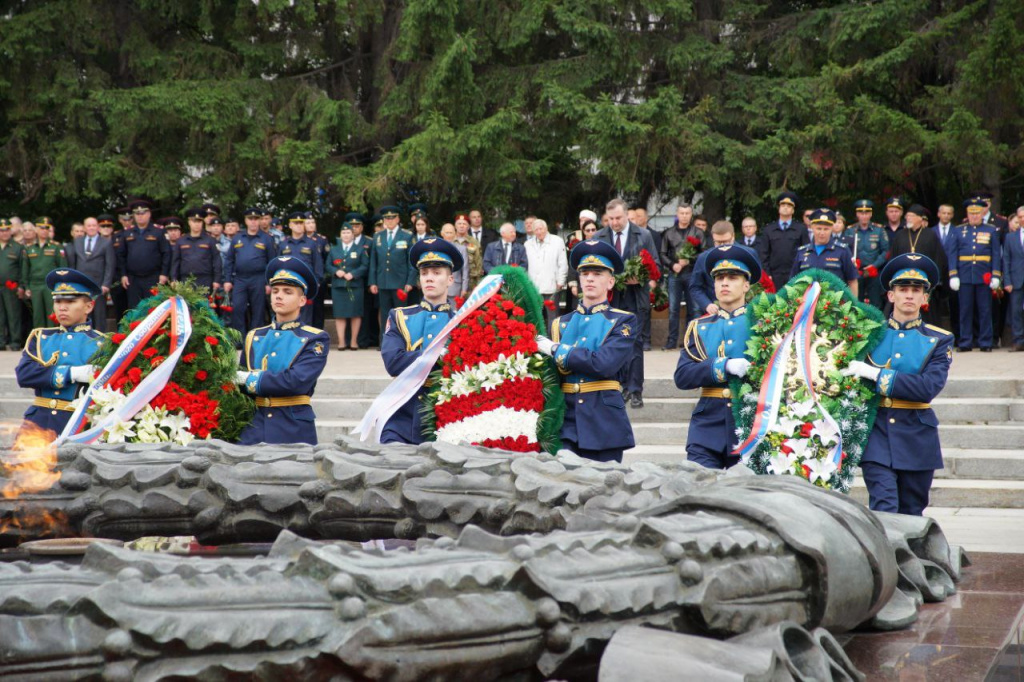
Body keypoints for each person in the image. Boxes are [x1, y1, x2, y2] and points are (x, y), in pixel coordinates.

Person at [841, 254, 952, 516]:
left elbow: (927, 388)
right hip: (877, 431)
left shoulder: (938, 340)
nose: (909, 296)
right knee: (884, 508)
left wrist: (876, 375)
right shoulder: (869, 334)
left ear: (925, 298)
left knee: (912, 513)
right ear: (891, 295)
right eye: (903, 289)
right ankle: (887, 559)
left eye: (917, 290)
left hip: (917, 434)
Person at [534, 240, 636, 462]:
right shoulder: (560, 324)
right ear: (579, 279)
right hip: (565, 421)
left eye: (597, 273)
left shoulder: (622, 321)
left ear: (610, 282)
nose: (590, 278)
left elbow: (604, 364)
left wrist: (555, 349)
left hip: (603, 420)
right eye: (585, 273)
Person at [674, 245, 761, 469]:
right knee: (699, 495)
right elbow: (683, 376)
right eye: (719, 278)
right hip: (706, 428)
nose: (724, 283)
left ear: (746, 285)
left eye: (732, 277)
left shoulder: (762, 324)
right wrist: (722, 366)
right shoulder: (699, 327)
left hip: (749, 423)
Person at [235, 256, 329, 446]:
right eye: (275, 291)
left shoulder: (315, 338)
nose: (278, 296)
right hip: (253, 427)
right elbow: (240, 389)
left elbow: (296, 381)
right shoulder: (254, 336)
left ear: (302, 300)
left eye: (288, 292)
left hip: (293, 428)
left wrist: (250, 379)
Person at [379, 238, 462, 444]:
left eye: (436, 273)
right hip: (402, 415)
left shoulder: (462, 322)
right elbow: (393, 362)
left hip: (446, 415)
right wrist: (441, 357)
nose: (429, 278)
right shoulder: (399, 316)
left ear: (450, 279)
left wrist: (417, 359)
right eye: (424, 273)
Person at [15, 269, 105, 437]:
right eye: (57, 301)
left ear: (89, 306)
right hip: (38, 424)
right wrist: (71, 373)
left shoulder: (102, 343)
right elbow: (24, 374)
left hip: (79, 426)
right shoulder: (41, 338)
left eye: (70, 302)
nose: (62, 307)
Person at [593, 199, 656, 408]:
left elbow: (654, 265)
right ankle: (618, 386)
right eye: (610, 219)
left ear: (626, 214)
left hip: (635, 296)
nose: (614, 222)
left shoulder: (643, 235)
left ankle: (635, 390)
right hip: (610, 298)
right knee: (611, 343)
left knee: (635, 344)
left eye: (618, 218)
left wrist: (643, 277)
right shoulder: (599, 237)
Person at [947, 198, 1001, 352]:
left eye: (977, 214)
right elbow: (953, 254)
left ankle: (985, 342)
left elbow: (996, 255)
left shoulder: (991, 230)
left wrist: (996, 275)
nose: (974, 216)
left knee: (985, 310)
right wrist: (953, 275)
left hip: (984, 276)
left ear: (982, 214)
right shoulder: (958, 230)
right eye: (971, 213)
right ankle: (965, 342)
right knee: (965, 310)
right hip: (964, 276)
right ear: (967, 214)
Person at [888, 204, 949, 326]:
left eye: (911, 216)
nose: (908, 219)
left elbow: (939, 258)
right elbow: (893, 258)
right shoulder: (901, 235)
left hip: (924, 281)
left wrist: (935, 279)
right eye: (907, 216)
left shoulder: (930, 235)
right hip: (903, 280)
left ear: (921, 219)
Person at [225, 206, 278, 338]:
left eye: (256, 219)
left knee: (258, 309)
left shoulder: (266, 238)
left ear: (259, 221)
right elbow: (229, 260)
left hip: (259, 278)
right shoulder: (237, 238)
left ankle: (256, 338)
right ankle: (239, 338)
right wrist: (227, 280)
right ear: (246, 221)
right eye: (250, 219)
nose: (253, 221)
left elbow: (272, 262)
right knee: (237, 307)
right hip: (240, 279)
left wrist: (269, 283)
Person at [369, 202, 416, 343]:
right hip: (383, 281)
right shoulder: (378, 236)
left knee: (401, 314)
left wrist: (410, 281)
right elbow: (373, 261)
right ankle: (385, 341)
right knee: (384, 314)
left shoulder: (406, 236)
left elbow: (411, 261)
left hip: (400, 282)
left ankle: (402, 341)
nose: (389, 221)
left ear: (398, 219)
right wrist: (372, 281)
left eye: (392, 218)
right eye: (386, 218)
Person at [659, 203, 703, 349]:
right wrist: (673, 265)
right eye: (682, 213)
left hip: (692, 274)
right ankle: (671, 341)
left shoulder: (697, 232)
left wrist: (689, 260)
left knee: (694, 309)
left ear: (691, 215)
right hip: (674, 275)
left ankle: (693, 341)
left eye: (687, 213)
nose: (684, 216)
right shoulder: (669, 233)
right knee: (673, 309)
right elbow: (662, 254)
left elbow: (704, 254)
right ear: (677, 215)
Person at [789, 209, 859, 297]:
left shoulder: (842, 251)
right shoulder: (802, 252)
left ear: (831, 229)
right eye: (819, 228)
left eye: (826, 229)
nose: (822, 232)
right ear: (812, 228)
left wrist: (854, 306)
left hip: (835, 305)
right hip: (807, 305)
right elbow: (793, 281)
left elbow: (852, 281)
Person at [688, 220, 749, 318]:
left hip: (743, 313)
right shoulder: (704, 258)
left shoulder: (747, 254)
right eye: (718, 242)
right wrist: (707, 304)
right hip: (715, 312)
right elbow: (695, 287)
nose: (722, 246)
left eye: (726, 241)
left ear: (733, 236)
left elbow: (757, 283)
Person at [117, 198, 170, 308]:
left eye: (143, 213)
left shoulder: (158, 232)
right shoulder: (127, 233)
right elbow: (121, 255)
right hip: (133, 279)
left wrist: (164, 274)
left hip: (153, 278)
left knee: (153, 309)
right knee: (134, 309)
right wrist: (123, 274)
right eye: (137, 213)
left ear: (149, 214)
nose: (140, 216)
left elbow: (166, 253)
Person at [66, 216, 115, 332]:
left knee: (99, 315)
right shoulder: (77, 242)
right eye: (89, 225)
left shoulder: (106, 243)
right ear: (84, 227)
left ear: (97, 227)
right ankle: (84, 341)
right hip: (81, 285)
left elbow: (110, 265)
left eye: (94, 225)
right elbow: (73, 264)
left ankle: (100, 343)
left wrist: (106, 284)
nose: (91, 228)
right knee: (82, 315)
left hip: (98, 285)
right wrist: (73, 282)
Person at [278, 212, 324, 325]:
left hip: (306, 285)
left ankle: (305, 342)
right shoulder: (283, 244)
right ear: (290, 225)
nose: (299, 225)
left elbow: (318, 265)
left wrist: (316, 282)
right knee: (287, 314)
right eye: (296, 223)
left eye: (301, 223)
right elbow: (277, 264)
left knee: (305, 317)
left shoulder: (311, 244)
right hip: (287, 284)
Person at [330, 221, 369, 350]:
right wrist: (336, 271)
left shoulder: (360, 249)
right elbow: (327, 265)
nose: (346, 235)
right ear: (340, 235)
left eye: (348, 232)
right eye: (343, 232)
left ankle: (353, 341)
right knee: (339, 314)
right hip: (339, 286)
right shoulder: (334, 249)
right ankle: (341, 342)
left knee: (355, 314)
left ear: (353, 235)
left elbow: (365, 265)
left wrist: (354, 274)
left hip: (355, 285)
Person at [843, 199, 889, 309]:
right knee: (856, 301)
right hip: (856, 271)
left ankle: (875, 325)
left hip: (873, 271)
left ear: (871, 214)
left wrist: (875, 265)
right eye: (861, 213)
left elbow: (886, 251)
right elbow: (845, 250)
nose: (864, 216)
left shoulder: (879, 230)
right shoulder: (850, 230)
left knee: (875, 302)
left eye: (867, 213)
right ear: (857, 214)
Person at [23, 220, 68, 328]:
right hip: (35, 285)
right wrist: (26, 287)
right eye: (41, 228)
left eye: (47, 228)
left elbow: (63, 267)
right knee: (37, 315)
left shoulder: (56, 246)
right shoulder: (29, 248)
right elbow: (25, 269)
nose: (44, 231)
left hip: (51, 285)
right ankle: (39, 340)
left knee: (52, 314)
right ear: (36, 229)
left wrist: (61, 285)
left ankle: (52, 339)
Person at [524, 218, 567, 330]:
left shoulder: (557, 241)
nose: (539, 232)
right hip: (534, 286)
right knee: (535, 317)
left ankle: (552, 342)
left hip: (552, 286)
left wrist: (561, 281)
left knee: (553, 318)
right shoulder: (527, 244)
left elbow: (562, 263)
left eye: (541, 228)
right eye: (536, 229)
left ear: (546, 228)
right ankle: (536, 342)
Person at [761, 191, 809, 290]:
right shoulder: (769, 230)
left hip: (795, 274)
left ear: (793, 210)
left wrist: (802, 273)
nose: (785, 207)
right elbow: (764, 254)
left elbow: (806, 252)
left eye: (789, 205)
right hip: (774, 276)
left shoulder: (801, 229)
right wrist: (767, 274)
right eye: (783, 205)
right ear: (779, 208)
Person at [171, 208, 223, 292]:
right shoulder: (181, 241)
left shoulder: (210, 240)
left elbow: (217, 261)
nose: (196, 224)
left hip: (205, 280)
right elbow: (176, 262)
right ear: (189, 222)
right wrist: (173, 279)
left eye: (199, 221)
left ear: (202, 223)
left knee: (203, 305)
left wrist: (217, 280)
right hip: (185, 280)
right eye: (194, 221)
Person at [0, 219, 24, 349]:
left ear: (11, 231)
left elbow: (22, 268)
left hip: (11, 286)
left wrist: (22, 285)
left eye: (7, 230)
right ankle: (1, 342)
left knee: (13, 315)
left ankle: (15, 342)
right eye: (1, 230)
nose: (4, 233)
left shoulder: (17, 247)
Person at [453, 213, 484, 289]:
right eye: (459, 223)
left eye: (464, 224)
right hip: (454, 280)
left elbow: (478, 263)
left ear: (468, 227)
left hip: (471, 281)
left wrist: (478, 282)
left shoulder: (474, 242)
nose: (461, 226)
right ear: (455, 226)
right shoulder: (451, 241)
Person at [440, 223, 469, 299]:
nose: (449, 235)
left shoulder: (462, 249)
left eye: (451, 233)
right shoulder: (437, 248)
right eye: (447, 233)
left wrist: (464, 289)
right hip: (439, 287)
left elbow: (465, 270)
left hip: (455, 288)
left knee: (454, 311)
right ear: (442, 234)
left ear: (455, 234)